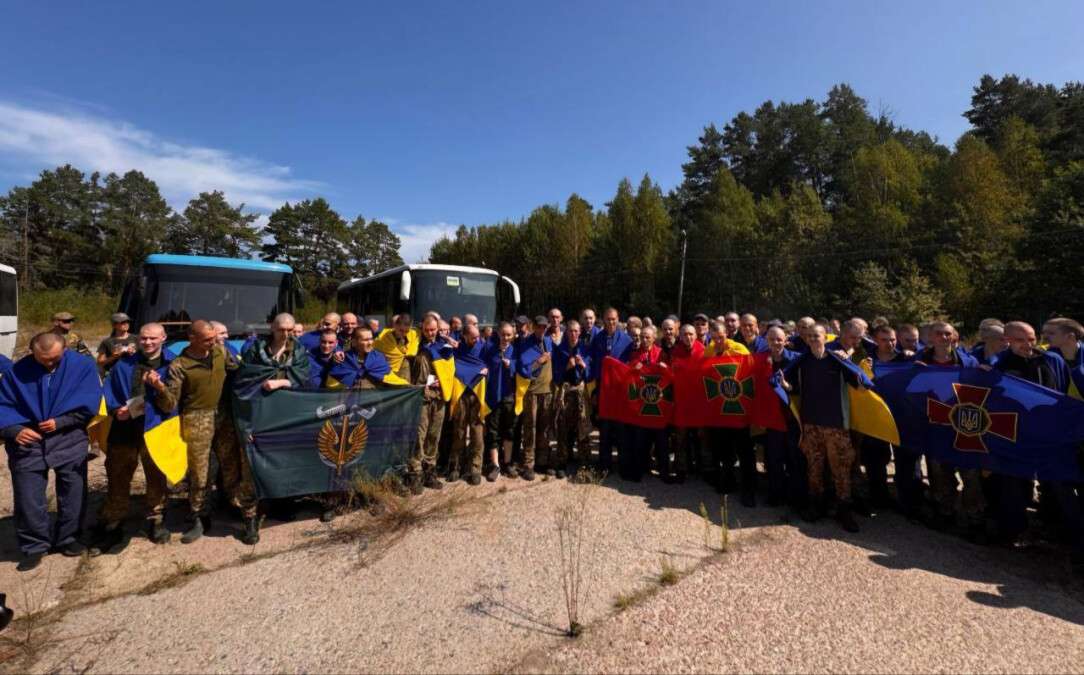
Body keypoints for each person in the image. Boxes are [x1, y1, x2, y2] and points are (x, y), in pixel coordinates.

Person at [0, 333, 101, 570]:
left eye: (54, 359)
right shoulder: (17, 371)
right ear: (31, 352)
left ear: (65, 349)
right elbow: (3, 404)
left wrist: (63, 421)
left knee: (73, 490)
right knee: (28, 496)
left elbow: (91, 401)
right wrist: (13, 429)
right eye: (42, 360)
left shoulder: (82, 365)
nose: (48, 364)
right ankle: (35, 545)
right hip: (28, 443)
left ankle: (68, 538)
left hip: (68, 437)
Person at [993, 321, 1082, 572]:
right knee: (1013, 485)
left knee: (1061, 487)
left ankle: (1072, 540)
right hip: (1015, 436)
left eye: (1032, 339)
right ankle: (1013, 534)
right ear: (1008, 340)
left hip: (1051, 438)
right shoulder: (999, 365)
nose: (1029, 344)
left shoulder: (1052, 361)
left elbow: (1067, 395)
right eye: (1022, 340)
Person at [90, 323, 174, 553]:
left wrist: (158, 387)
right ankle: (113, 523)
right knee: (117, 475)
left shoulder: (173, 363)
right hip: (124, 430)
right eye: (144, 338)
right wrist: (117, 409)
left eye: (153, 338)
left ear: (163, 338)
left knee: (156, 476)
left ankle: (155, 519)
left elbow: (174, 401)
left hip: (156, 429)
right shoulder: (124, 364)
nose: (147, 342)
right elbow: (110, 391)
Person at [156, 320, 242, 544]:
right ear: (192, 338)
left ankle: (234, 503)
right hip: (196, 419)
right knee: (199, 470)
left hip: (223, 416)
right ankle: (198, 515)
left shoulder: (220, 351)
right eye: (207, 339)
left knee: (230, 463)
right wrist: (159, 389)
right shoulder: (179, 365)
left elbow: (238, 371)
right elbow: (169, 403)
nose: (213, 342)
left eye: (214, 338)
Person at [779, 324, 867, 532]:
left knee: (841, 467)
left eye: (816, 336)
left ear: (825, 337)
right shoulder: (803, 362)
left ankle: (844, 510)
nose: (812, 340)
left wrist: (853, 364)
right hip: (811, 424)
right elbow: (796, 388)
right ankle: (816, 505)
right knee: (814, 466)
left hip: (836, 424)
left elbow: (860, 384)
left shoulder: (837, 359)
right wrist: (786, 387)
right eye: (809, 336)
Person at [913, 321, 984, 538]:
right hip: (936, 428)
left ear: (953, 337)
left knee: (971, 475)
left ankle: (974, 519)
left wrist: (987, 373)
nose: (944, 338)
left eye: (948, 334)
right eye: (939, 334)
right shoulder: (918, 363)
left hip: (965, 428)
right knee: (939, 472)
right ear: (930, 338)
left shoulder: (969, 362)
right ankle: (945, 512)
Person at [704, 321, 755, 505]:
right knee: (724, 449)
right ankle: (727, 481)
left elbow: (751, 373)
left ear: (727, 334)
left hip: (739, 410)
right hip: (721, 411)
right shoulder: (709, 351)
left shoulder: (738, 349)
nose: (718, 341)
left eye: (721, 337)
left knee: (744, 451)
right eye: (714, 337)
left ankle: (748, 489)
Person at [759, 326, 803, 507]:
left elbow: (806, 387)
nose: (775, 343)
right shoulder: (761, 360)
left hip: (792, 418)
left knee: (795, 459)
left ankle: (796, 497)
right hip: (772, 419)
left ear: (785, 340)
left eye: (779, 339)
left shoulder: (797, 360)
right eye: (772, 339)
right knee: (774, 459)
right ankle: (776, 494)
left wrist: (788, 387)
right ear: (766, 341)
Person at [588, 308, 633, 473]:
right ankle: (604, 464)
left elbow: (630, 365)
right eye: (608, 319)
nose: (611, 322)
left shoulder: (627, 340)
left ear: (618, 319)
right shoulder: (597, 339)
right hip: (603, 389)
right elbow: (592, 361)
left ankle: (622, 464)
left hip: (620, 390)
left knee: (621, 429)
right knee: (604, 428)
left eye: (613, 319)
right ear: (603, 320)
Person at [408, 316, 448, 492]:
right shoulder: (414, 347)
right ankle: (415, 473)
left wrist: (443, 381)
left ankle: (430, 471)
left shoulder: (444, 347)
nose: (430, 333)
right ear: (421, 329)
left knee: (434, 435)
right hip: (420, 398)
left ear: (438, 329)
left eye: (433, 330)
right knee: (419, 436)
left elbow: (450, 371)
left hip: (439, 398)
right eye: (427, 330)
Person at [660, 324, 705, 482]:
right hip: (681, 403)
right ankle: (681, 469)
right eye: (685, 334)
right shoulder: (674, 353)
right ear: (681, 335)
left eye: (691, 334)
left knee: (702, 438)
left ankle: (705, 469)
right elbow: (669, 375)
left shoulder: (704, 351)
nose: (688, 337)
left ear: (696, 334)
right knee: (680, 439)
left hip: (699, 403)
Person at [622, 325, 666, 482]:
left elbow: (670, 376)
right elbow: (628, 377)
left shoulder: (661, 354)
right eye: (642, 337)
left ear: (654, 338)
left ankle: (664, 471)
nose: (645, 340)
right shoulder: (634, 354)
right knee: (640, 439)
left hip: (658, 404)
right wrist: (634, 368)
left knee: (661, 439)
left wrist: (665, 368)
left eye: (648, 337)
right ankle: (638, 470)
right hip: (641, 404)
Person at [449, 325, 487, 485]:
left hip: (478, 395)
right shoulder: (456, 348)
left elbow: (495, 360)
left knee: (477, 433)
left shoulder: (484, 347)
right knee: (459, 431)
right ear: (464, 336)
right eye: (473, 337)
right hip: (461, 395)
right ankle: (456, 467)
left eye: (477, 336)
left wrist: (487, 369)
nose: (476, 340)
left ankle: (475, 468)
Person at [518, 316, 555, 478]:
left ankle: (542, 461)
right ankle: (528, 464)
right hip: (531, 393)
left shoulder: (549, 341)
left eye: (544, 327)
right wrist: (539, 362)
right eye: (539, 327)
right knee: (530, 428)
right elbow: (522, 369)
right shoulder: (525, 344)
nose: (542, 329)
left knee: (544, 429)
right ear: (533, 327)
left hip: (547, 392)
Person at [552, 319, 591, 473]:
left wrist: (584, 366)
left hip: (580, 392)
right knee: (563, 427)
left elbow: (590, 374)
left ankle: (584, 462)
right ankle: (562, 460)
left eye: (576, 331)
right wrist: (566, 367)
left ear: (579, 332)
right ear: (566, 332)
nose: (573, 334)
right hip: (566, 393)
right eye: (570, 331)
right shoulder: (559, 350)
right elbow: (555, 375)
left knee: (583, 425)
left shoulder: (585, 349)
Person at [483, 322, 517, 481]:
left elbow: (522, 368)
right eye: (503, 334)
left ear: (513, 335)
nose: (505, 337)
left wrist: (511, 365)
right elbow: (480, 362)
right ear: (498, 333)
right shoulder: (489, 349)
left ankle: (508, 463)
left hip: (510, 396)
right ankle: (495, 465)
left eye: (509, 334)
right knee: (493, 431)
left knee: (509, 431)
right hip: (493, 397)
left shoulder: (515, 350)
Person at [1046, 317, 1084, 399]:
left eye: (1051, 333)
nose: (1045, 336)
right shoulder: (1043, 356)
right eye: (1044, 332)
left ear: (1070, 336)